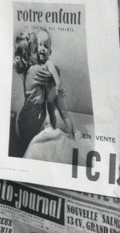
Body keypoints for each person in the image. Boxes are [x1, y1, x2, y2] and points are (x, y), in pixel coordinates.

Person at [13, 29, 75, 158]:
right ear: (30, 53)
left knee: (55, 115)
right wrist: (56, 78)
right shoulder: (35, 69)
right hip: (30, 122)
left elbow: (51, 72)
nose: (40, 50)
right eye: (37, 47)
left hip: (28, 118)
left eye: (45, 46)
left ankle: (64, 135)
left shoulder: (29, 69)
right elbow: (54, 71)